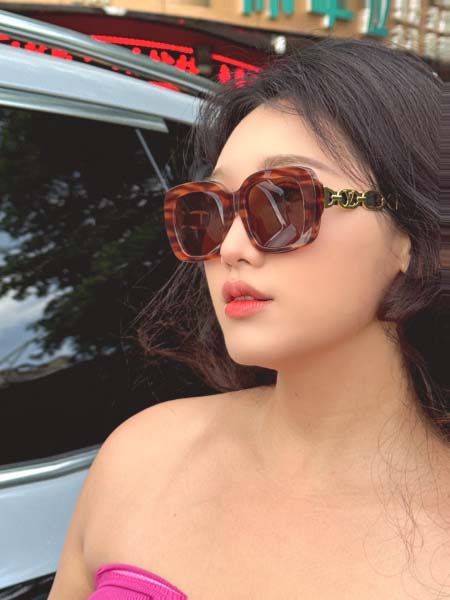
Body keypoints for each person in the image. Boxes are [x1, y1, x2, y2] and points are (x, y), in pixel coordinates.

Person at [49, 36, 450, 599]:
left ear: (418, 237)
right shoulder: (142, 455)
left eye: (283, 201)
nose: (231, 247)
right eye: (209, 210)